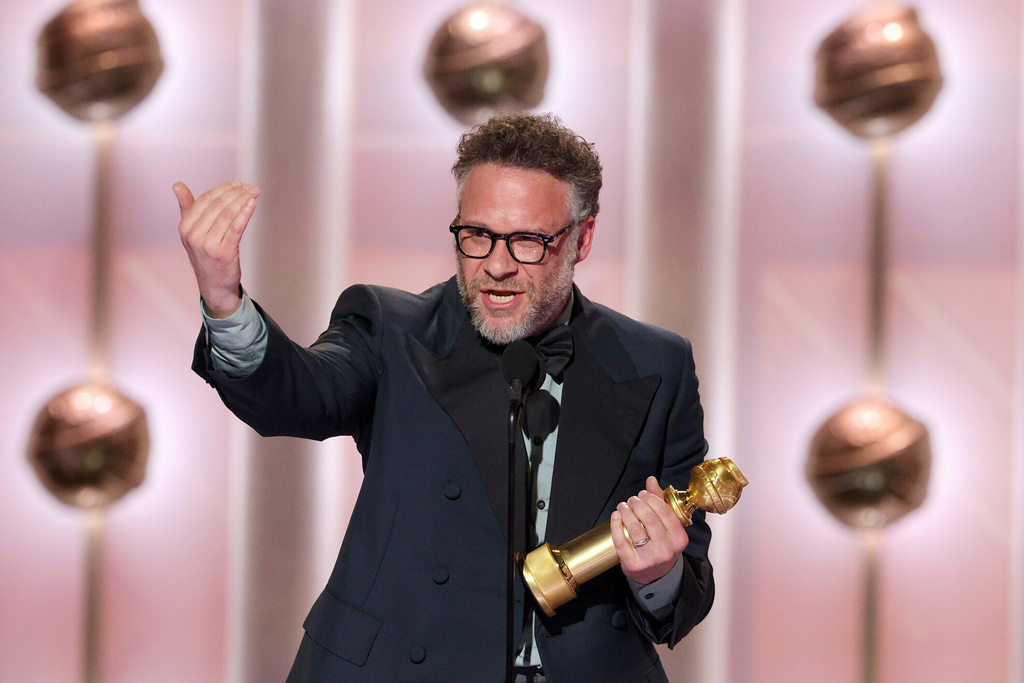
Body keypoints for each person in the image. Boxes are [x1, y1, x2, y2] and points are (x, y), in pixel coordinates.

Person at [174, 113, 714, 682]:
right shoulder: (392, 331)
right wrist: (223, 298)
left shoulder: (657, 364)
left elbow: (687, 593)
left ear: (582, 239)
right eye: (477, 235)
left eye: (528, 241)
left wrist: (658, 575)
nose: (497, 266)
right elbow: (294, 394)